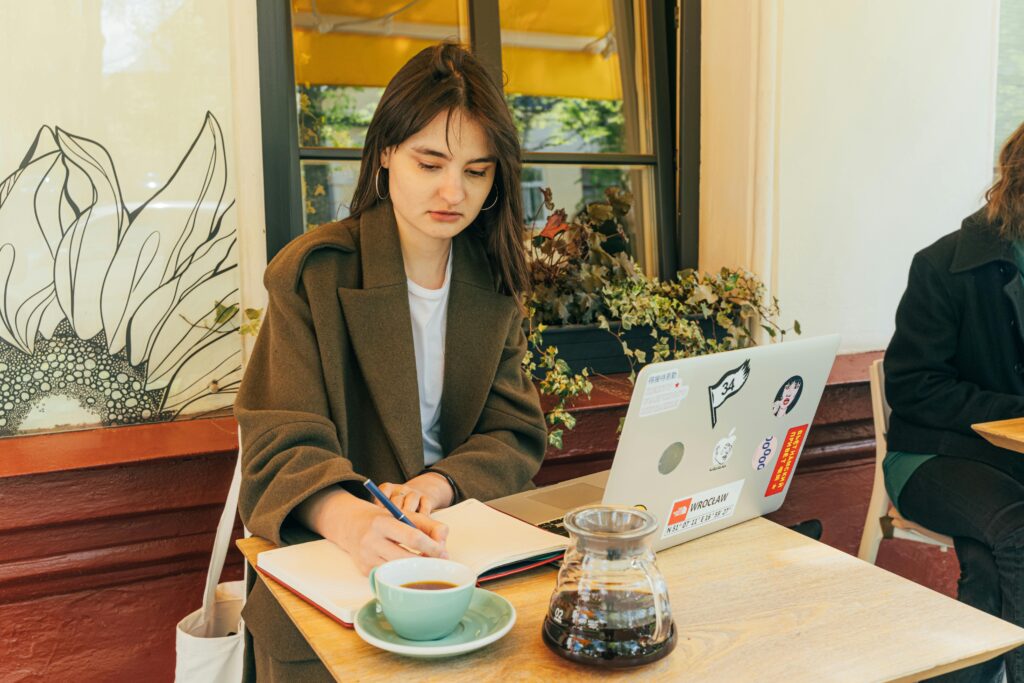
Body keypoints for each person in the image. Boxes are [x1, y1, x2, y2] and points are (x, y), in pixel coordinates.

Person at [233, 42, 547, 681]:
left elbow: (513, 432)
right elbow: (278, 440)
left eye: (478, 171)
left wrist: (442, 483)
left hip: (467, 573)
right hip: (335, 586)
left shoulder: (491, 280)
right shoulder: (315, 274)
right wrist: (352, 520)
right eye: (429, 162)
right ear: (384, 153)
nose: (452, 191)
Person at [884, 119, 1024, 683]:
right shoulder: (943, 266)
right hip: (931, 456)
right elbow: (914, 387)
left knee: (989, 566)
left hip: (1010, 460)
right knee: (1017, 532)